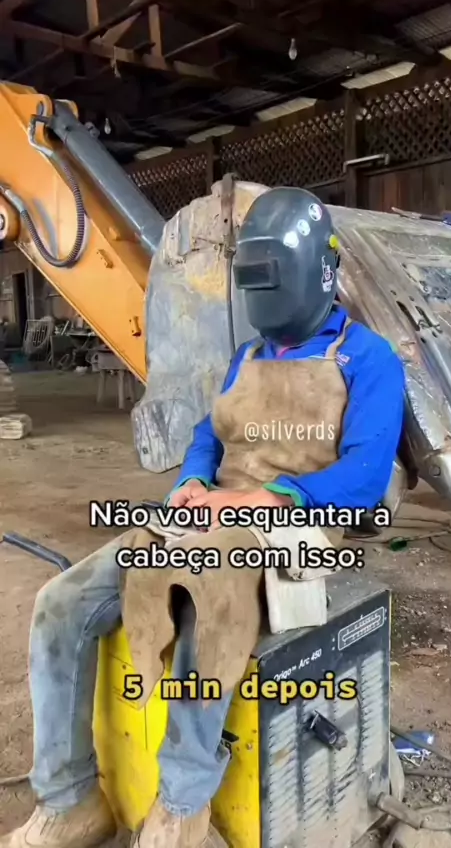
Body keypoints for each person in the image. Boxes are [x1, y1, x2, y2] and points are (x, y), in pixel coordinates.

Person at [0, 188, 405, 848]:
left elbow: (363, 479)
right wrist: (193, 480)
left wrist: (256, 500)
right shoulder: (248, 357)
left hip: (296, 522)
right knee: (62, 601)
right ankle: (68, 798)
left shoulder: (368, 358)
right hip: (213, 510)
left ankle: (182, 805)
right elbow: (207, 437)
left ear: (320, 273)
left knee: (203, 591)